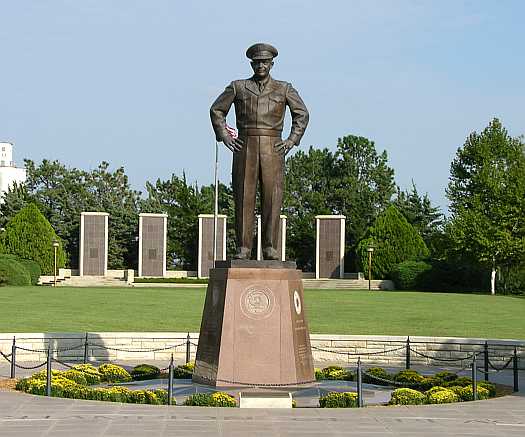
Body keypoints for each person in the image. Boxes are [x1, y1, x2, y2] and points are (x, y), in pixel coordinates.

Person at [210, 43, 309, 260]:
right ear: (252, 64)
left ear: (272, 64)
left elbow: (302, 114)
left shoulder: (284, 89)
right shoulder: (239, 87)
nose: (260, 65)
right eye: (257, 62)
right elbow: (217, 110)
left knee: (272, 198)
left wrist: (292, 140)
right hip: (245, 146)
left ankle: (270, 247)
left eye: (265, 62)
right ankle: (243, 248)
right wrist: (225, 136)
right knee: (244, 197)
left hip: (273, 148)